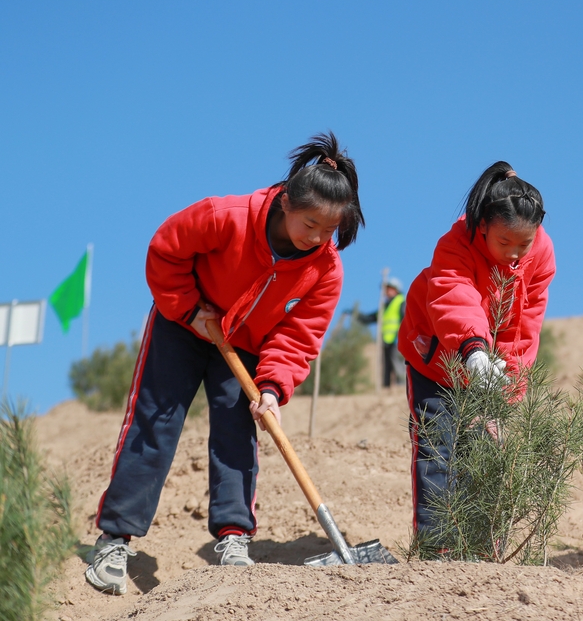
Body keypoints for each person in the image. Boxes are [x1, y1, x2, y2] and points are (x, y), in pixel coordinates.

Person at [85, 132, 363, 595]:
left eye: (328, 230)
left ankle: (234, 539)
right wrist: (189, 309)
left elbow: (299, 337)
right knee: (155, 423)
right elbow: (165, 250)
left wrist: (272, 388)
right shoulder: (226, 216)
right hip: (185, 322)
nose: (316, 237)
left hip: (247, 344)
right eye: (309, 223)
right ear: (286, 202)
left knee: (238, 434)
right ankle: (115, 538)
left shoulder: (326, 269)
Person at [397, 161, 554, 551]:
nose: (515, 255)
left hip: (492, 373)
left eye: (524, 244)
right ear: (482, 224)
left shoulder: (541, 254)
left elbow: (525, 324)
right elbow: (456, 299)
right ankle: (437, 548)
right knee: (438, 450)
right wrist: (473, 351)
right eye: (505, 244)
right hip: (436, 360)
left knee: (485, 454)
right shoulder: (454, 246)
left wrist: (509, 389)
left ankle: (485, 548)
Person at [355, 277, 407, 388]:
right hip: (385, 341)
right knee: (386, 366)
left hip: (397, 340)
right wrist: (356, 315)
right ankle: (386, 388)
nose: (386, 291)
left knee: (397, 364)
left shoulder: (401, 302)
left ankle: (401, 387)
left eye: (389, 289)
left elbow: (405, 320)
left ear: (396, 290)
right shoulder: (384, 307)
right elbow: (370, 318)